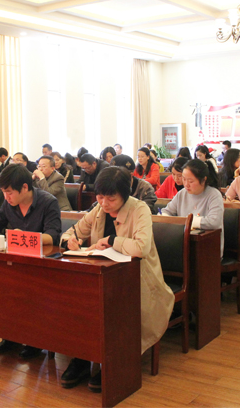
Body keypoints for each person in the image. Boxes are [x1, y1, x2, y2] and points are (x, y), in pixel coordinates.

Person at [59, 167, 174, 392]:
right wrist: (69, 241)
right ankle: (82, 357)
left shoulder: (139, 209)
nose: (104, 203)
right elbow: (72, 232)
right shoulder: (98, 209)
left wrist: (112, 240)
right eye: (100, 197)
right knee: (80, 303)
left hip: (137, 279)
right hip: (102, 277)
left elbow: (141, 248)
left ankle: (113, 360)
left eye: (111, 198)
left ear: (125, 194)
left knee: (114, 309)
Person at [0, 163, 62, 359]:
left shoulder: (48, 202)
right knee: (1, 289)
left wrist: (25, 237)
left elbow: (53, 237)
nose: (6, 197)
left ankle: (35, 341)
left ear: (24, 187)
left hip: (42, 264)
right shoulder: (9, 203)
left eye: (9, 192)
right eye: (3, 192)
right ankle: (11, 336)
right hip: (16, 261)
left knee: (27, 292)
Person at [161, 159, 224, 254]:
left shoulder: (214, 195)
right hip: (182, 243)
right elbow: (166, 211)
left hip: (207, 247)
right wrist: (166, 218)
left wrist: (187, 222)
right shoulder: (182, 194)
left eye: (190, 181)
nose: (186, 184)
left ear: (203, 180)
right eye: (184, 179)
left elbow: (214, 222)